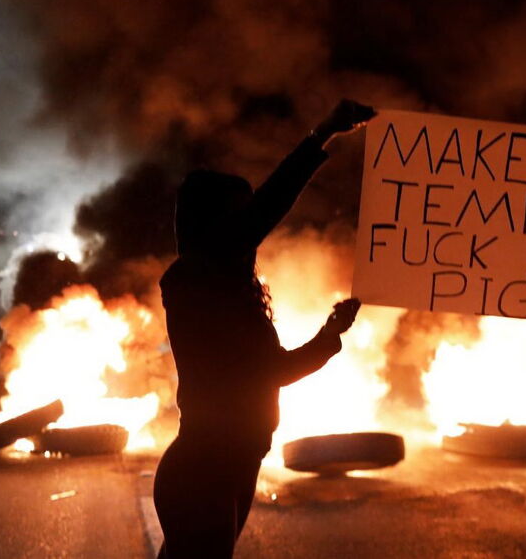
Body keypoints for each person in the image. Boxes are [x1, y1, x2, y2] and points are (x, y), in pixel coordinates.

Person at [153, 100, 375, 558]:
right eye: (238, 216)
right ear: (212, 224)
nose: (251, 231)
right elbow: (268, 208)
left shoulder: (232, 290)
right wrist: (321, 136)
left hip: (237, 461)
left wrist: (330, 333)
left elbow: (272, 369)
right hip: (204, 466)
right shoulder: (191, 279)